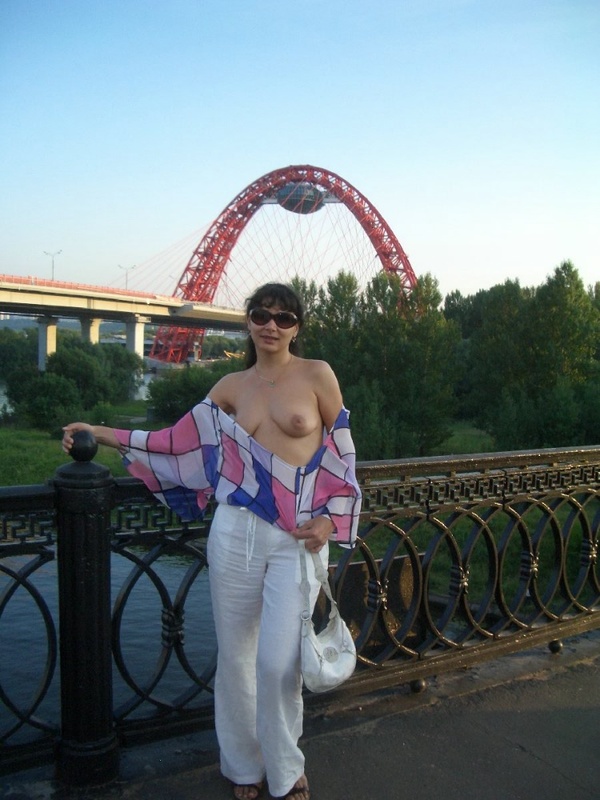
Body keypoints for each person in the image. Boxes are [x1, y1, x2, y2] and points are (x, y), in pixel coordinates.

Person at [62, 282, 361, 800]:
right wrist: (102, 432)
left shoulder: (317, 375)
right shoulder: (229, 385)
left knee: (279, 663)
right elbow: (175, 443)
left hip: (295, 538)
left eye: (284, 318)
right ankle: (244, 766)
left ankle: (285, 767)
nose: (271, 325)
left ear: (297, 327)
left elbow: (344, 454)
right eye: (261, 314)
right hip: (235, 532)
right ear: (248, 321)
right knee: (237, 657)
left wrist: (331, 521)